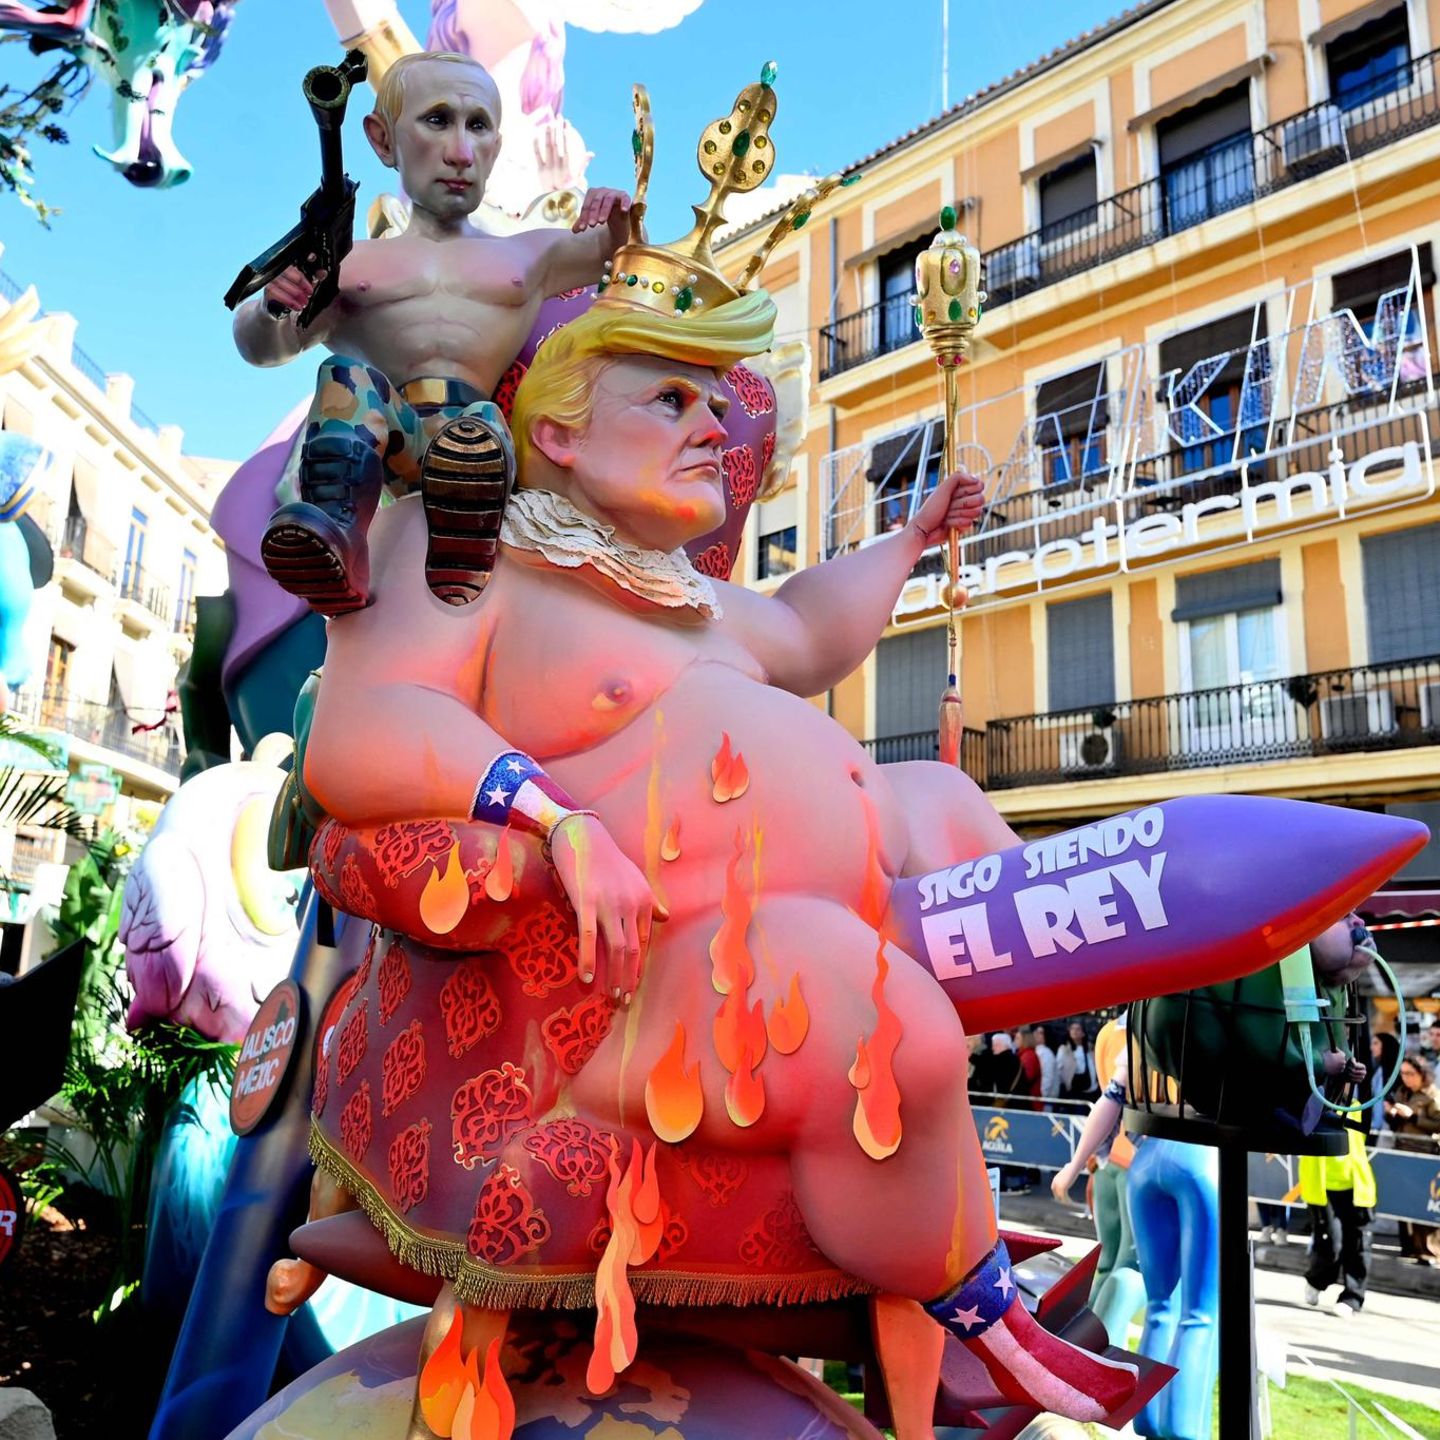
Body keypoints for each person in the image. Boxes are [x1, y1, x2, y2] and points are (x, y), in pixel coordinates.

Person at [283, 279, 1141, 1425]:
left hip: (812, 925)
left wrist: (911, 538)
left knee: (936, 800)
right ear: (559, 435)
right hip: (619, 998)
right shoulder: (469, 552)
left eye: (717, 406)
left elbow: (813, 626)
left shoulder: (698, 601)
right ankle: (982, 1310)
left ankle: (1141, 999)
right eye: (672, 399)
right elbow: (363, 730)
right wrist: (556, 822)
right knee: (869, 1008)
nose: (713, 429)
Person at [233, 50, 633, 614]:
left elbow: (627, 258)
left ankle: (462, 544)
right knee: (344, 377)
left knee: (478, 431)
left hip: (482, 439)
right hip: (386, 443)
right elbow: (263, 345)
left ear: (497, 145)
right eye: (437, 120)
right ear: (383, 139)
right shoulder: (350, 265)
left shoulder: (531, 253)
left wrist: (615, 212)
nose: (460, 152)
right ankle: (337, 535)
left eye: (478, 126)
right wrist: (274, 306)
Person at [1052, 1036, 1219, 1440]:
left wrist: (1074, 1165)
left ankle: (1147, 1418)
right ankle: (1185, 1430)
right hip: (1200, 1156)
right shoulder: (1213, 1017)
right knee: (1201, 1312)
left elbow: (1110, 1097)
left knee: (1161, 1304)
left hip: (1146, 1160)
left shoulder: (1139, 1027)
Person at [1301, 1121, 1375, 1314]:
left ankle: (1352, 1297)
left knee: (1357, 1244)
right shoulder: (1314, 1105)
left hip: (1355, 1187)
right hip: (1321, 1187)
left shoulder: (1359, 1105)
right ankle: (1317, 1280)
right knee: (1331, 1244)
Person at [1385, 1054, 1440, 1263]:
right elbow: (1397, 1125)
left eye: (1410, 1074)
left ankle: (1428, 1251)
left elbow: (1438, 1124)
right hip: (1403, 1152)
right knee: (1403, 1203)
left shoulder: (1432, 1096)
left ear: (1422, 1074)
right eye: (1403, 1074)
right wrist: (1391, 1113)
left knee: (1423, 1204)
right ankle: (1408, 1247)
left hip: (1424, 1155)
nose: (1406, 1078)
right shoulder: (1402, 1092)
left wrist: (1413, 1116)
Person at [1060, 1019, 1099, 1101]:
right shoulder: (1064, 1049)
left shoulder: (1090, 1048)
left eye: (1078, 1029)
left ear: (1083, 1033)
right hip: (1074, 1090)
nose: (1074, 1031)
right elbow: (1059, 1068)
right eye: (1072, 1029)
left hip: (1092, 1089)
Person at [1035, 1023, 1060, 1106]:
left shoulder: (1046, 1053)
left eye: (1041, 1033)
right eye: (1036, 1032)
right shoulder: (1037, 1050)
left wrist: (1041, 1096)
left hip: (1045, 1099)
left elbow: (1047, 1077)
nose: (1036, 1035)